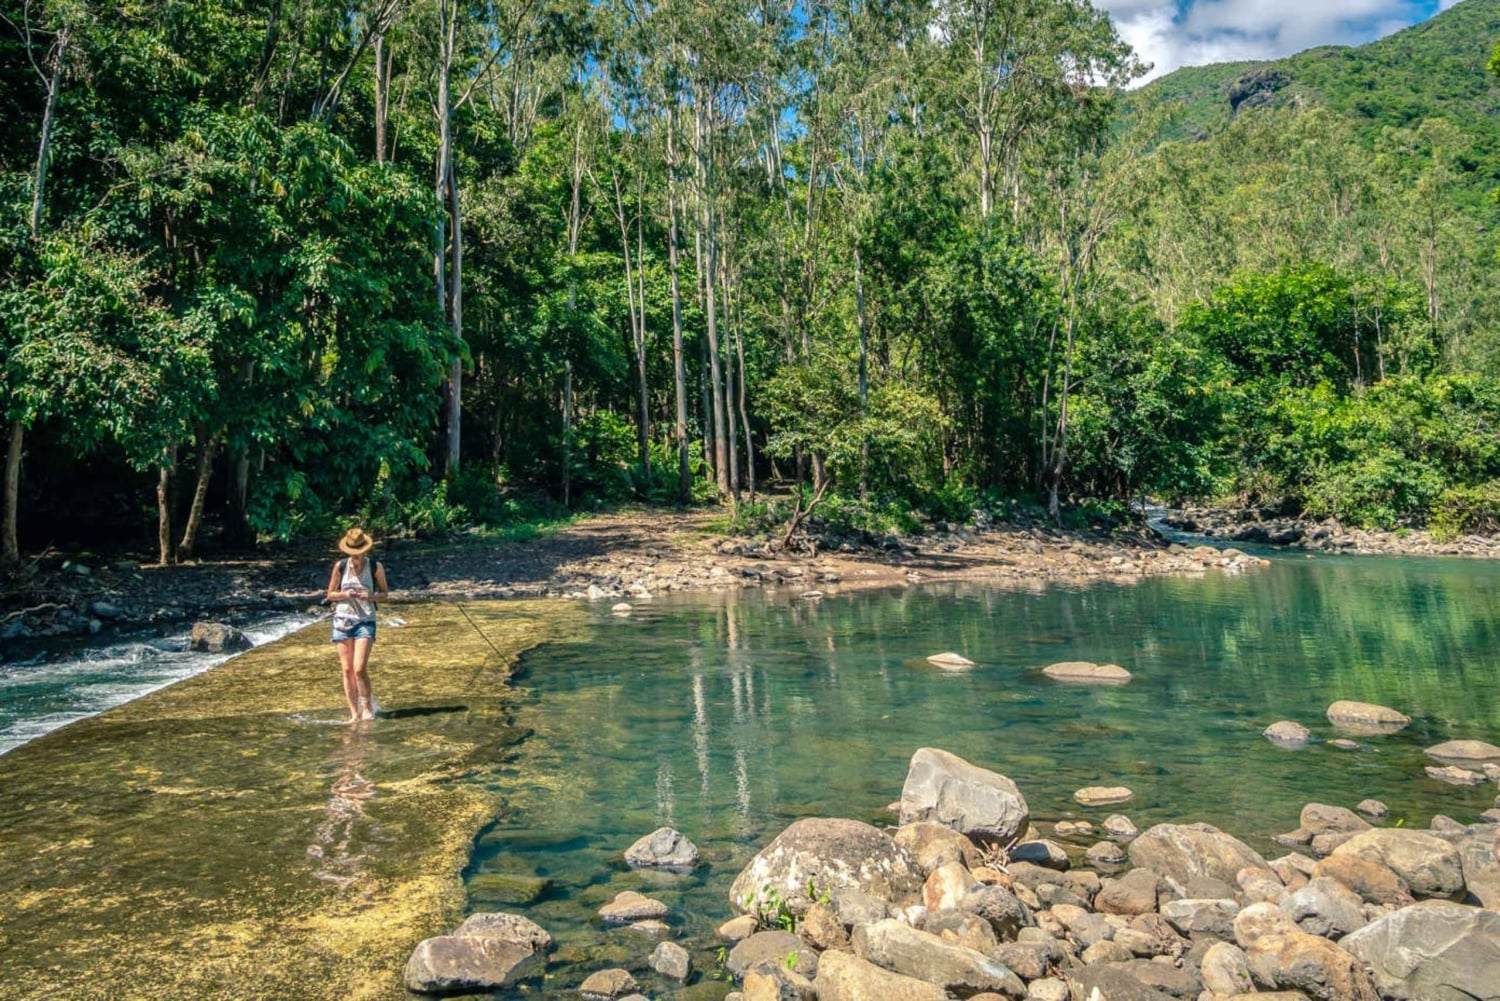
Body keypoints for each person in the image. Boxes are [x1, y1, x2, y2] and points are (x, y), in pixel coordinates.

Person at [327, 527, 389, 724]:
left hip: (365, 620)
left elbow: (385, 593)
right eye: (353, 553)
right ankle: (354, 714)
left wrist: (369, 596)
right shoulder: (340, 566)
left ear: (365, 550)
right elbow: (330, 594)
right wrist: (346, 594)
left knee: (359, 667)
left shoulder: (375, 567)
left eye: (359, 552)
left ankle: (367, 706)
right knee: (347, 670)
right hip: (342, 620)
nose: (356, 556)